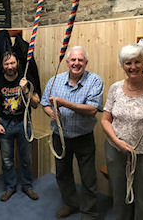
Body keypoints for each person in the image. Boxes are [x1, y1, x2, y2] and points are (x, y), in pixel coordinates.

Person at [41, 46, 103, 219]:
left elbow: (92, 109)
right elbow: (45, 103)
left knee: (88, 177)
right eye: (73, 60)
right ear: (67, 62)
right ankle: (71, 204)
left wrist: (63, 103)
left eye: (80, 60)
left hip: (83, 137)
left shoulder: (95, 81)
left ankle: (89, 212)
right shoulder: (54, 80)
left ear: (86, 63)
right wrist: (51, 113)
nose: (76, 63)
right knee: (62, 173)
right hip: (59, 137)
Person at [101, 44, 143, 220]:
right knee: (120, 194)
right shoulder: (115, 88)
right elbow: (105, 120)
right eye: (128, 63)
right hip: (116, 150)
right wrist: (117, 142)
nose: (133, 67)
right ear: (122, 65)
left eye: (137, 62)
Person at [0, 51, 40, 202]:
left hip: (23, 123)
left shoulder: (26, 79)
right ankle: (10, 187)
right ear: (2, 65)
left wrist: (25, 89)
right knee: (7, 160)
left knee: (26, 158)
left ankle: (27, 185)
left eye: (12, 63)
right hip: (4, 123)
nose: (10, 66)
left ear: (17, 63)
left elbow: (36, 103)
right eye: (6, 64)